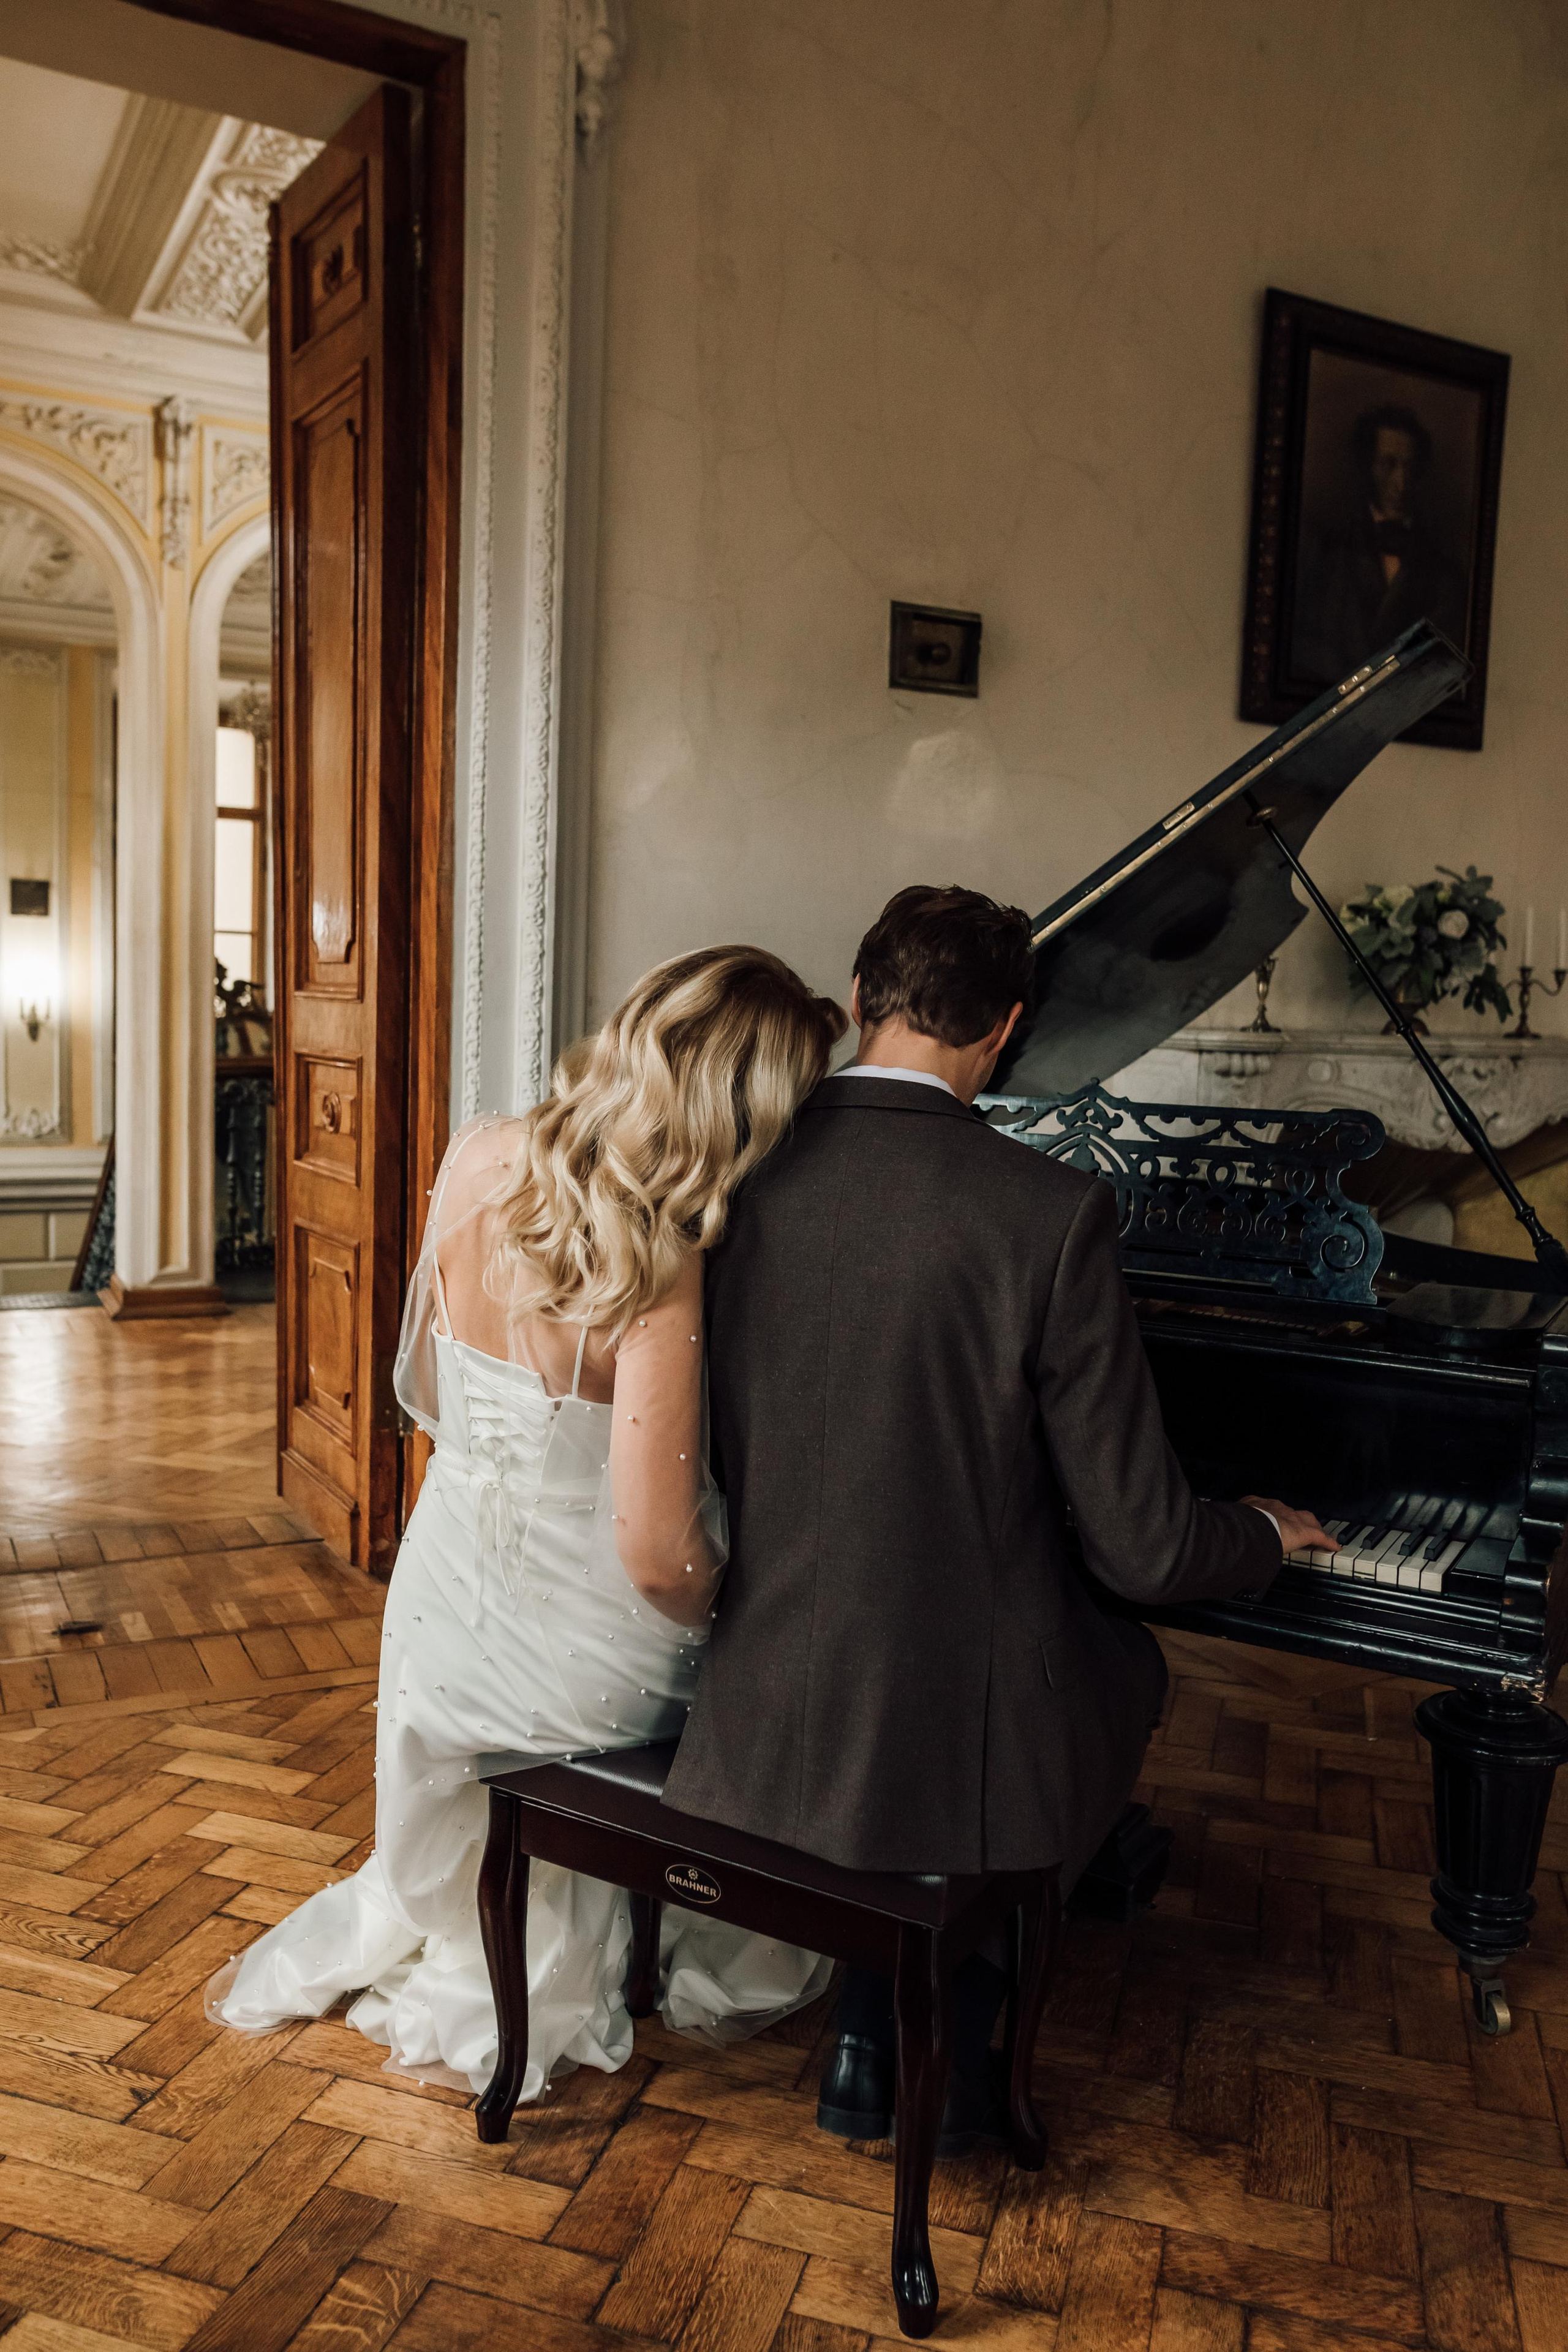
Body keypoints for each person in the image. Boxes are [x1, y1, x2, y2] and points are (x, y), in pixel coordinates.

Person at [662, 884, 1329, 2147]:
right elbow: (1141, 1548)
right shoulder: (1050, 1214)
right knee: (1120, 1668)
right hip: (937, 1719)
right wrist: (1256, 1528)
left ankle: (875, 2018)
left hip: (759, 1683)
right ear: (1008, 1027)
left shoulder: (736, 1166)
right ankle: (956, 1996)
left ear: (857, 1000)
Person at [208, 945, 845, 2098]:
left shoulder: (480, 1156)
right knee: (795, 1658)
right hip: (586, 1657)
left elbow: (448, 1404)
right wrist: (734, 1608)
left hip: (442, 1610)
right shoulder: (660, 1253)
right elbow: (656, 1559)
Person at [1296, 401, 1468, 681]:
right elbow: (1309, 648)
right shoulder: (1326, 554)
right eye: (1389, 464)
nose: (1401, 481)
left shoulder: (1445, 575)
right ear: (1368, 466)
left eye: (1410, 467)